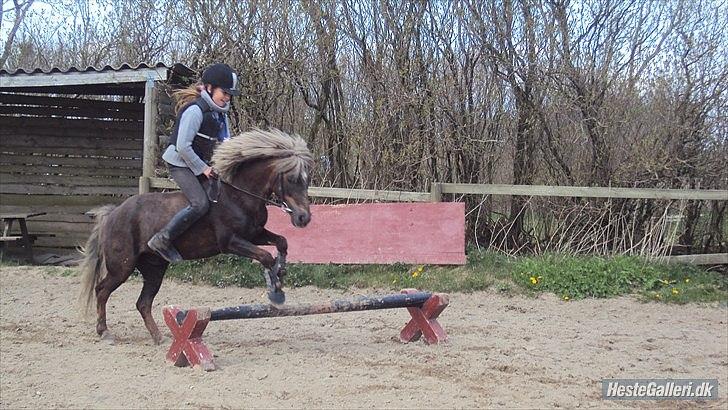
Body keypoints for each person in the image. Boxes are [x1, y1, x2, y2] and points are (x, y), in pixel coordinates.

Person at [147, 63, 240, 262]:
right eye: (224, 92)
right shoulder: (195, 111)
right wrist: (204, 168)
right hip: (180, 163)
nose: (227, 97)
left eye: (230, 95)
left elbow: (226, 143)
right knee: (199, 204)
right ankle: (162, 239)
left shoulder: (220, 115)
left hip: (198, 161)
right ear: (209, 88)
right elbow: (182, 147)